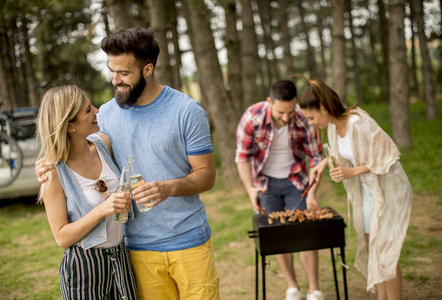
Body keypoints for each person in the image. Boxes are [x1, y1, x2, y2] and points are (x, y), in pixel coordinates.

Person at [36, 27, 219, 300]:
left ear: (147, 69)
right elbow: (75, 149)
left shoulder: (187, 111)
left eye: (124, 73)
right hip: (135, 250)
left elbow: (207, 175)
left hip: (189, 242)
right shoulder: (106, 115)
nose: (115, 80)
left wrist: (168, 188)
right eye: (112, 70)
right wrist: (47, 163)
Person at [296, 75, 412, 300]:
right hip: (370, 191)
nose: (310, 123)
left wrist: (352, 172)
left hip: (388, 188)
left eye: (311, 118)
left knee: (385, 252)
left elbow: (389, 155)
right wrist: (322, 164)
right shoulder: (332, 127)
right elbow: (341, 155)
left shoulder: (359, 123)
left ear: (323, 108)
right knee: (373, 248)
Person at [36, 85, 137, 299]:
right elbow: (62, 237)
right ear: (70, 125)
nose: (97, 111)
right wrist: (102, 210)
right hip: (84, 268)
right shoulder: (53, 173)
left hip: (120, 258)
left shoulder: (104, 145)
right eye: (87, 110)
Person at [235, 79, 325, 300]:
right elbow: (242, 157)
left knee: (306, 233)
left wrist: (312, 192)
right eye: (280, 113)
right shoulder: (252, 117)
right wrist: (250, 189)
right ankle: (293, 287)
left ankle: (314, 290)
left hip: (298, 182)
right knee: (277, 235)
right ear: (269, 101)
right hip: (265, 185)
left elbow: (316, 158)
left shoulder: (304, 117)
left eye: (290, 112)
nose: (286, 118)